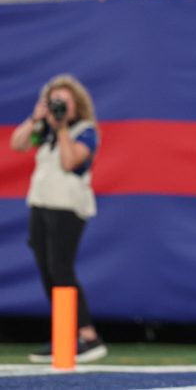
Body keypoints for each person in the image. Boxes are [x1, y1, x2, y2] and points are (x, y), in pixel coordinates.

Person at [9, 74, 107, 364]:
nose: (60, 107)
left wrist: (62, 127)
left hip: (67, 207)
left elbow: (69, 161)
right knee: (47, 270)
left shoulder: (85, 131)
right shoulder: (44, 129)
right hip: (40, 202)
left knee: (61, 269)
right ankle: (65, 334)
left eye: (65, 102)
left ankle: (89, 336)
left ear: (77, 105)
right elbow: (18, 144)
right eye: (55, 101)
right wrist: (35, 118)